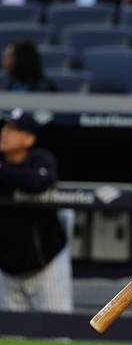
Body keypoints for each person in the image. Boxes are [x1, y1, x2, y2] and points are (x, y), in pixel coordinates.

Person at [0, 108, 73, 313]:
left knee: (58, 337)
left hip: (47, 266)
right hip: (7, 270)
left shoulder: (41, 159)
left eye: (13, 130)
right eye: (5, 127)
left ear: (28, 139)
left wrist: (4, 176)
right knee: (9, 341)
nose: (5, 133)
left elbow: (37, 181)